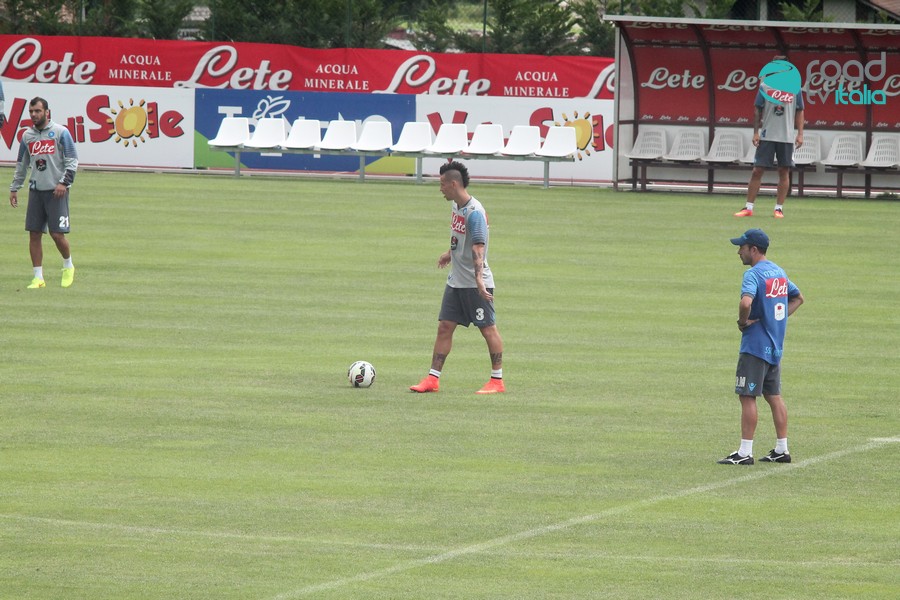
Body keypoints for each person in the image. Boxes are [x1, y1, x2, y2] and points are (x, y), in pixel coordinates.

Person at [410, 160, 505, 395]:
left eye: (442, 184)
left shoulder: (475, 213)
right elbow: (462, 238)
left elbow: (478, 247)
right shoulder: (456, 206)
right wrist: (450, 253)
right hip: (456, 281)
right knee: (444, 327)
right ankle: (432, 379)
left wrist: (480, 281)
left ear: (454, 184)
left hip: (475, 284)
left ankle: (497, 381)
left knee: (488, 329)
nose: (440, 189)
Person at [719, 229, 804, 465]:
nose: (739, 252)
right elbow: (798, 298)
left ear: (753, 249)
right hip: (775, 346)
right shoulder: (778, 272)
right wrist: (777, 320)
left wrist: (743, 322)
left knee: (747, 396)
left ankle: (744, 452)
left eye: (742, 247)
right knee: (774, 396)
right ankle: (782, 449)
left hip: (755, 347)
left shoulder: (753, 274)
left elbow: (746, 302)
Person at [9, 97, 78, 289]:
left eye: (38, 111)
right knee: (34, 234)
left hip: (57, 192)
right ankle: (38, 278)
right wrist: (15, 187)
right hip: (36, 191)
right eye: (31, 111)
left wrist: (64, 183)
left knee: (57, 235)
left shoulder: (61, 132)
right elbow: (21, 164)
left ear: (47, 112)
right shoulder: (27, 136)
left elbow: (72, 161)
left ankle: (68, 265)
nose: (34, 114)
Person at [735, 56, 805, 219]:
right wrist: (756, 132)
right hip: (767, 136)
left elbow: (800, 110)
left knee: (783, 171)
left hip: (786, 137)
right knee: (757, 170)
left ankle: (778, 209)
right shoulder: (765, 86)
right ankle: (748, 207)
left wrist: (800, 134)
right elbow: (757, 109)